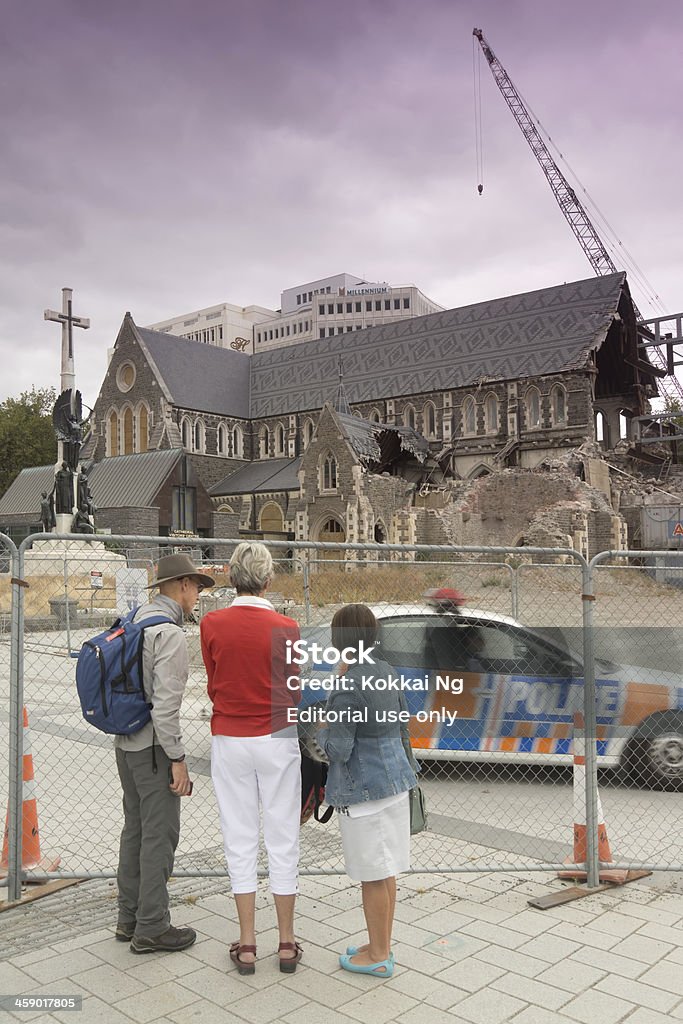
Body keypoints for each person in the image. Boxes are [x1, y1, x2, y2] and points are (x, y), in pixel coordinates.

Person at [200, 542, 302, 976]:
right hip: (276, 732)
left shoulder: (212, 624)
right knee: (282, 837)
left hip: (230, 734)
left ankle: (246, 942)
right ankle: (285, 940)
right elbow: (291, 691)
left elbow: (213, 678)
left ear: (230, 576)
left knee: (239, 837)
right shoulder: (288, 627)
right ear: (268, 580)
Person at [115, 552, 215, 954]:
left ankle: (129, 918)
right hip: (155, 749)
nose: (197, 597)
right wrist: (178, 760)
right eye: (196, 588)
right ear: (184, 586)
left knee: (135, 830)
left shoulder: (135, 620)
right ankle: (152, 926)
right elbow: (165, 706)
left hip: (126, 745)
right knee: (159, 836)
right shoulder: (169, 634)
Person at [318, 604, 418, 979]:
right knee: (386, 870)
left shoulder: (348, 684)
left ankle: (377, 955)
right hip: (394, 784)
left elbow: (338, 749)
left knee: (373, 875)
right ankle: (381, 944)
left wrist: (324, 724)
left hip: (365, 794)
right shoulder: (387, 672)